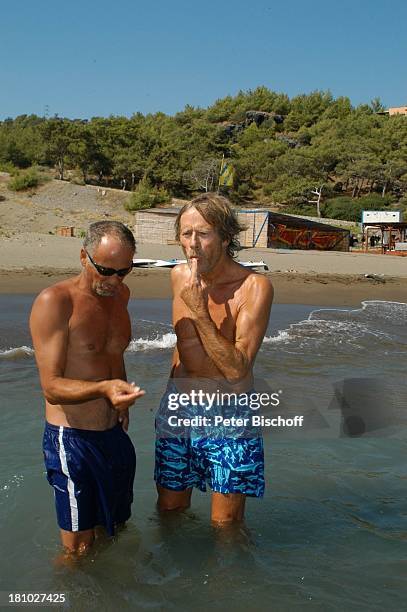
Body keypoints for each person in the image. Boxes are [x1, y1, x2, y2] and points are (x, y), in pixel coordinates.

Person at [155, 194, 273, 524]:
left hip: (229, 416)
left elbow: (237, 369)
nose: (193, 244)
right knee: (170, 512)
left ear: (225, 237)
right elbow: (184, 349)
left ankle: (228, 578)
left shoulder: (254, 288)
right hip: (178, 410)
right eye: (186, 233)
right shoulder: (178, 276)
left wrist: (199, 309)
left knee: (226, 526)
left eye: (203, 234)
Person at [30, 221, 145, 555]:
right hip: (73, 441)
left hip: (113, 434)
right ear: (84, 256)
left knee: (115, 531)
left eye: (123, 271)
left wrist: (120, 398)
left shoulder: (120, 295)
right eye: (105, 270)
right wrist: (104, 389)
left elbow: (113, 354)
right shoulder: (55, 302)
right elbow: (51, 387)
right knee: (78, 551)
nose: (113, 281)